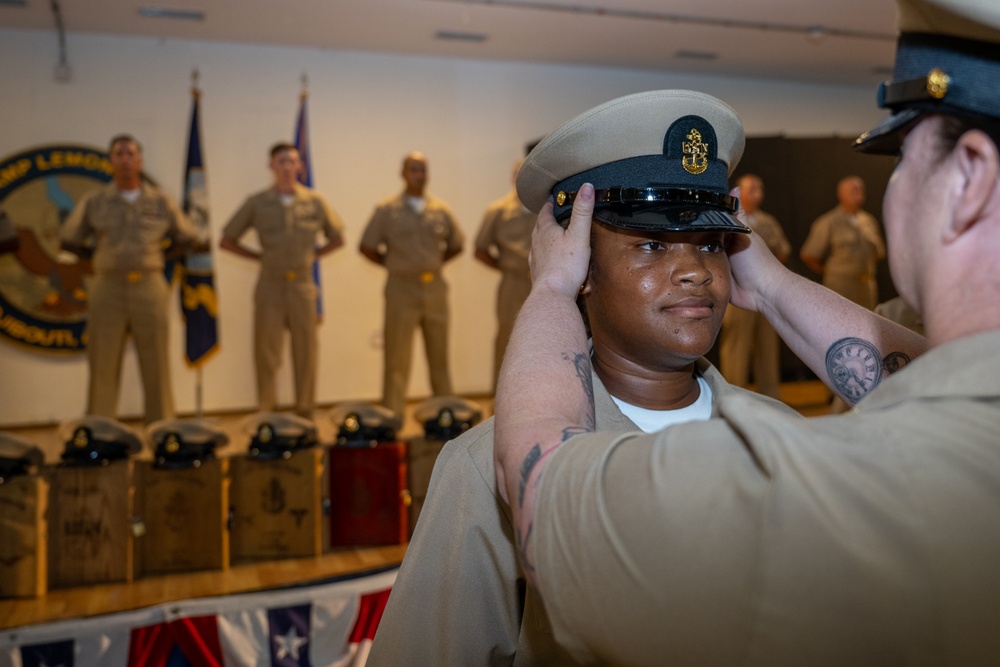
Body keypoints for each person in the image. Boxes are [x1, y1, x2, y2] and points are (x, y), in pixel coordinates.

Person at [492, 0, 1000, 662]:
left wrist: (552, 288)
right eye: (652, 245)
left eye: (901, 156)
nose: (693, 269)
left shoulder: (804, 482)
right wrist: (772, 283)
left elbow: (543, 493)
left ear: (969, 177)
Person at [367, 90, 799, 666]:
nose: (695, 270)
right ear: (580, 269)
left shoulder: (788, 438)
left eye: (710, 245)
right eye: (650, 244)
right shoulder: (485, 469)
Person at [60, 134, 200, 423]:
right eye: (119, 154)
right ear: (111, 161)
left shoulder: (160, 200)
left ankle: (161, 427)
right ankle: (99, 429)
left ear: (140, 160)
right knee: (102, 360)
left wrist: (162, 256)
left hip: (148, 283)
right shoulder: (95, 201)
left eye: (130, 154)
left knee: (156, 359)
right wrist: (98, 258)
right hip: (107, 286)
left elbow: (188, 237)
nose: (125, 159)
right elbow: (69, 239)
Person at [220, 142, 345, 419]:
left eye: (292, 161)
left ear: (300, 166)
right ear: (271, 166)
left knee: (306, 351)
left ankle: (305, 411)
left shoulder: (314, 201)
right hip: (270, 285)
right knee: (266, 352)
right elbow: (226, 240)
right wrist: (259, 258)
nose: (287, 167)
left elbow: (338, 238)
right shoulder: (257, 202)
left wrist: (313, 256)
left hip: (302, 285)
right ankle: (266, 412)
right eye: (281, 162)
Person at [359, 151, 464, 418]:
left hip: (435, 288)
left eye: (423, 169)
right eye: (414, 169)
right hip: (400, 289)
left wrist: (434, 264)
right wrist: (394, 265)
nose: (419, 175)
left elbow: (457, 244)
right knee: (396, 357)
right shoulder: (387, 210)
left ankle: (444, 413)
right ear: (403, 173)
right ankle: (392, 415)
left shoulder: (440, 209)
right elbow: (367, 246)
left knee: (439, 356)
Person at [718, 173, 791, 398]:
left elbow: (783, 251)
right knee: (737, 347)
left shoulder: (768, 222)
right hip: (738, 293)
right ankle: (733, 396)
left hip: (766, 294)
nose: (757, 193)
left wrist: (766, 271)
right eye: (752, 188)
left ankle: (771, 397)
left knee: (767, 347)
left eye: (760, 188)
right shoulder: (728, 218)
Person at [474, 158, 536, 383]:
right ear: (513, 178)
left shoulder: (546, 209)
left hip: (543, 283)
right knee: (506, 337)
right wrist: (506, 267)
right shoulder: (498, 211)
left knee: (544, 336)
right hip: (513, 282)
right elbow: (480, 249)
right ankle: (498, 398)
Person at [800, 175, 886, 310]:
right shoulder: (828, 222)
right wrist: (833, 272)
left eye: (860, 189)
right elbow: (809, 255)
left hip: (866, 285)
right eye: (853, 190)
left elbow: (878, 253)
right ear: (841, 195)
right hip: (841, 287)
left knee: (869, 323)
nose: (858, 192)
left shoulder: (869, 221)